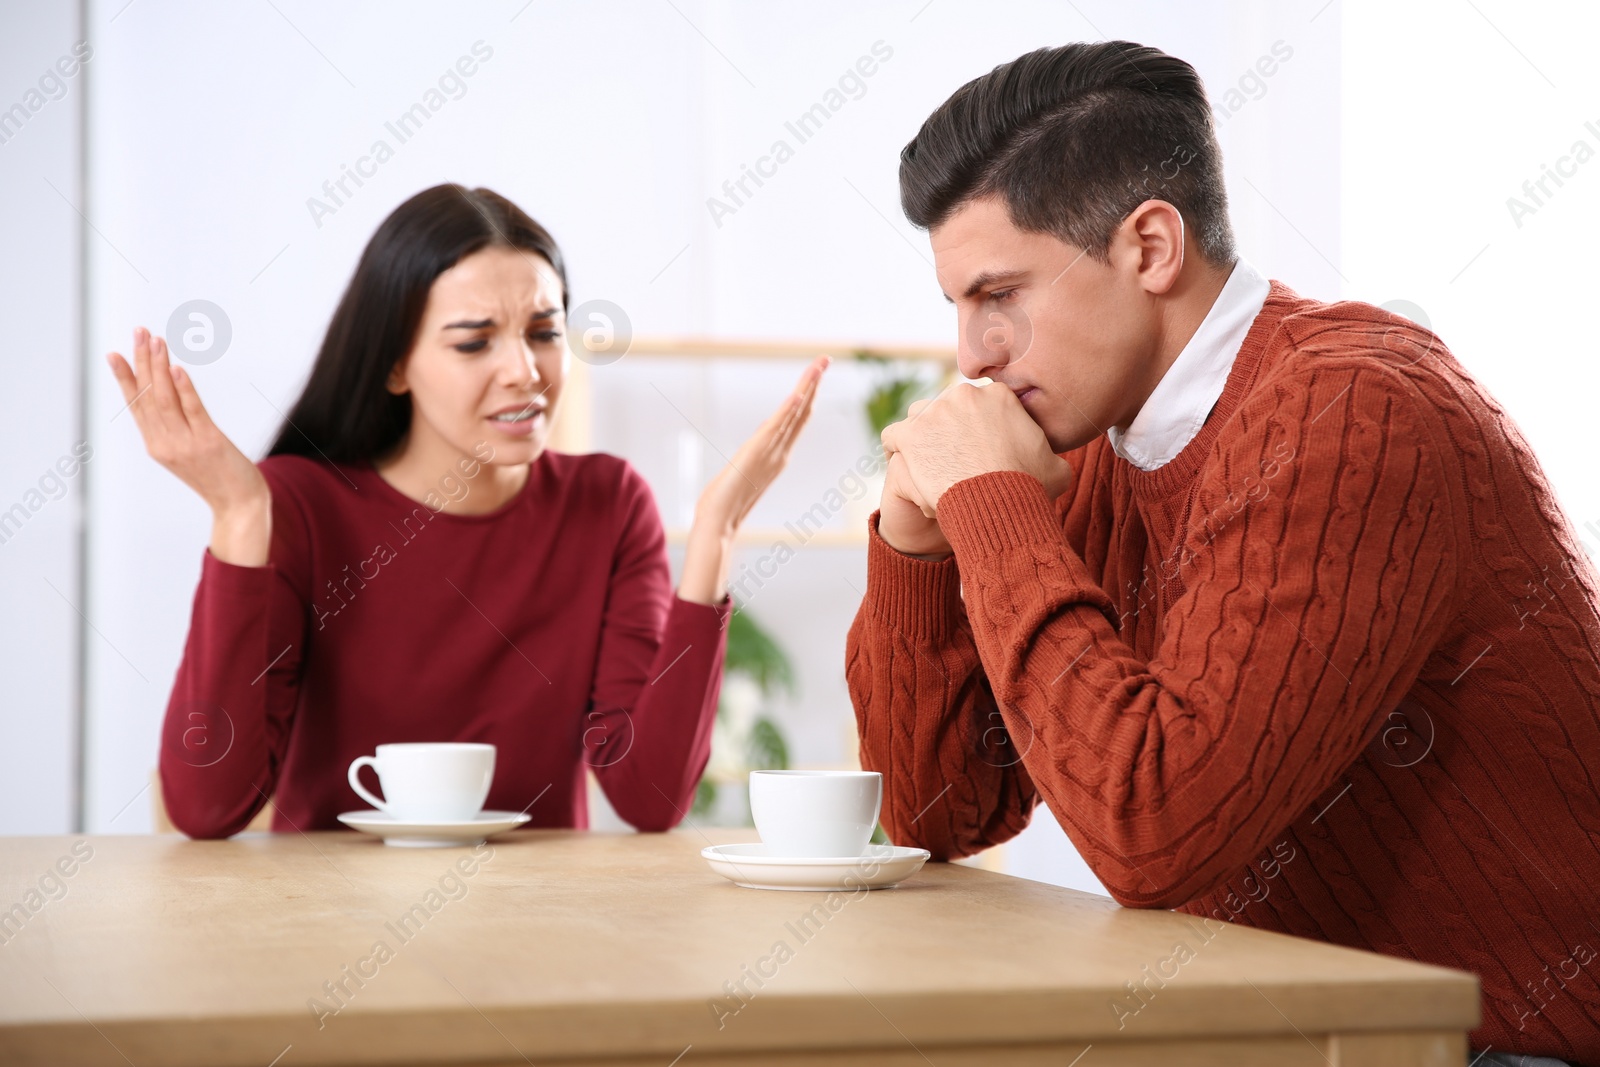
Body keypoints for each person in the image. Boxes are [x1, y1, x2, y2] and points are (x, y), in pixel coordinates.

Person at [845, 42, 1599, 1066]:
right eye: (959, 308)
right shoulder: (1097, 438)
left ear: (1149, 247)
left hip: (1498, 1050)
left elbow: (1151, 828)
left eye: (998, 296)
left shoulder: (1352, 412)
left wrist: (991, 503)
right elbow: (933, 813)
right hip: (1291, 1036)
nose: (971, 355)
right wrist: (917, 545)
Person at [111, 184, 827, 839]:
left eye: (544, 332)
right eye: (475, 341)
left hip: (536, 941)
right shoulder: (296, 505)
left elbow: (649, 795)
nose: (523, 369)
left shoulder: (607, 505)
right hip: (325, 936)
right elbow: (207, 807)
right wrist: (238, 512)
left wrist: (716, 535)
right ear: (394, 364)